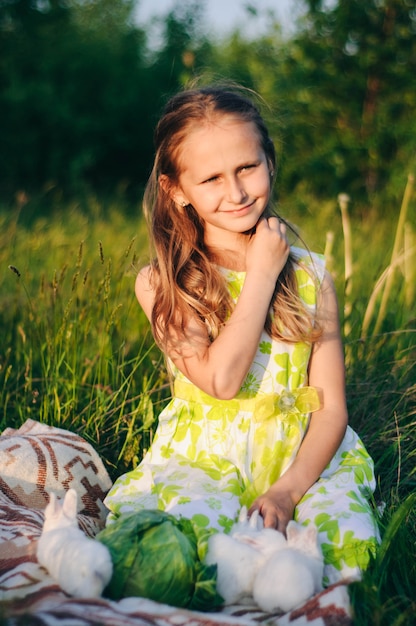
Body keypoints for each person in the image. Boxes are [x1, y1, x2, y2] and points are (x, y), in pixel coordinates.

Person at [104, 83, 380, 585]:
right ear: (177, 191)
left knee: (342, 549)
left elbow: (332, 407)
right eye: (210, 178)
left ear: (269, 163)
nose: (235, 192)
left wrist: (289, 491)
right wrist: (260, 275)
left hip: (303, 456)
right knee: (195, 546)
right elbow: (222, 381)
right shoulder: (163, 282)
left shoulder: (313, 274)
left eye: (247, 168)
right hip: (206, 461)